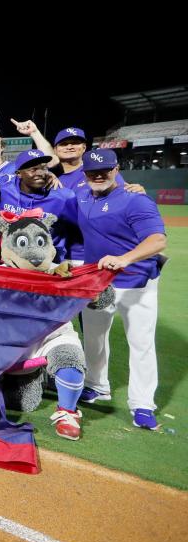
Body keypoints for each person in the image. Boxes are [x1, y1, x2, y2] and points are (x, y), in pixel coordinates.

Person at [76, 149, 168, 431]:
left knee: (141, 343)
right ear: (85, 174)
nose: (100, 175)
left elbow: (157, 240)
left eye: (106, 170)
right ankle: (96, 384)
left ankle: (142, 403)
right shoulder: (80, 195)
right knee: (94, 337)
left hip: (136, 282)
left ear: (117, 169)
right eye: (93, 172)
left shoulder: (135, 199)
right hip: (98, 281)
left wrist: (125, 259)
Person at [0, 150, 78, 262]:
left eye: (44, 168)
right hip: (13, 261)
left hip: (49, 263)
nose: (41, 173)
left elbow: (80, 230)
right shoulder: (4, 190)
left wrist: (76, 259)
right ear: (19, 174)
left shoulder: (63, 197)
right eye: (33, 169)